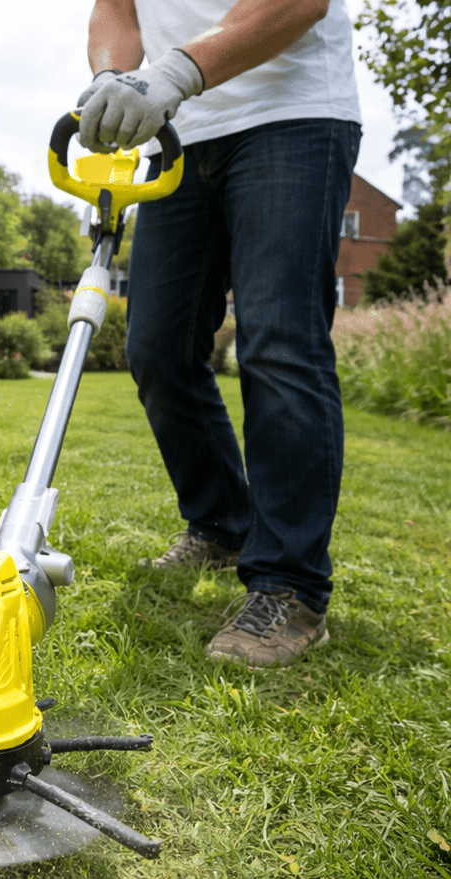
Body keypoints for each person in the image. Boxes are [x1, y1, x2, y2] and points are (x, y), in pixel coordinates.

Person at [77, 0, 361, 667]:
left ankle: (290, 585)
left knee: (278, 341)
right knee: (156, 346)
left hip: (291, 115)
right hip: (179, 132)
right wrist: (109, 78)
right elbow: (115, 11)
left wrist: (177, 71)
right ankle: (220, 523)